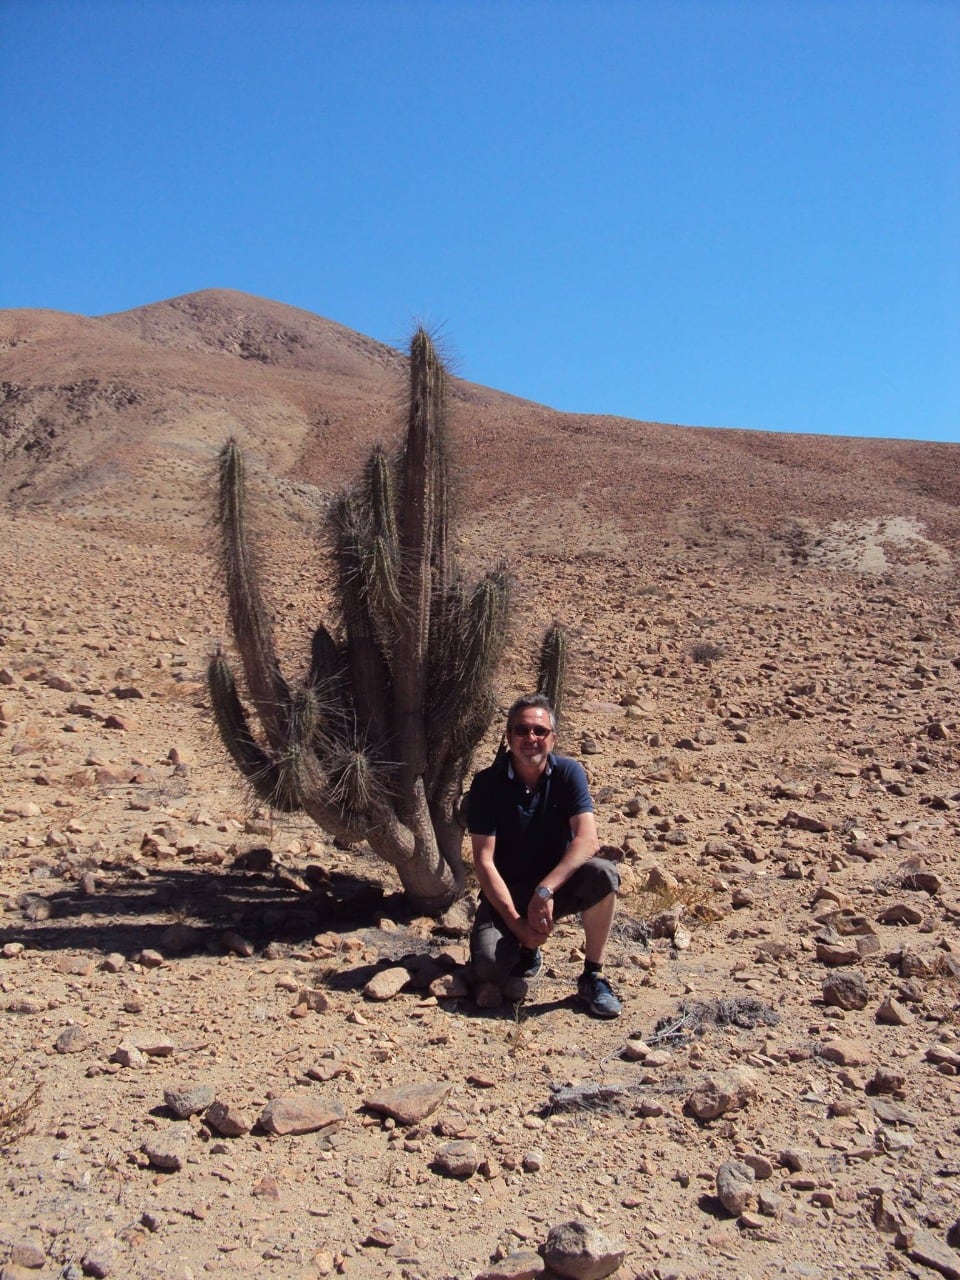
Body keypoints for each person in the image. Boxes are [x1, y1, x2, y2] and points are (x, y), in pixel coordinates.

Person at [466, 693, 622, 1018]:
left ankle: (593, 975)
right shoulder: (486, 784)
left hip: (556, 887)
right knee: (489, 969)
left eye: (540, 731)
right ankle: (526, 950)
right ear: (508, 737)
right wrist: (518, 924)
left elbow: (587, 839)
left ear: (553, 738)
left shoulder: (568, 773)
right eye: (522, 730)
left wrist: (545, 890)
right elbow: (484, 861)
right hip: (506, 892)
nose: (531, 738)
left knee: (603, 874)